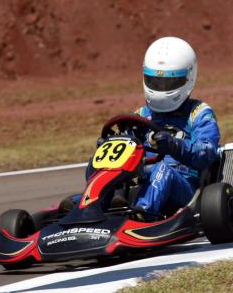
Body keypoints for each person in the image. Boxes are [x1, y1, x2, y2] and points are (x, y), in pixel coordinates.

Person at [87, 37, 221, 218]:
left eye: (169, 83)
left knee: (162, 170)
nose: (161, 88)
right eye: (155, 82)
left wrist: (174, 145)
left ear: (188, 77)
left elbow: (207, 152)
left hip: (184, 188)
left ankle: (142, 215)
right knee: (99, 164)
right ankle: (90, 210)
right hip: (142, 182)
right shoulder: (141, 115)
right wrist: (109, 145)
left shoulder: (198, 113)